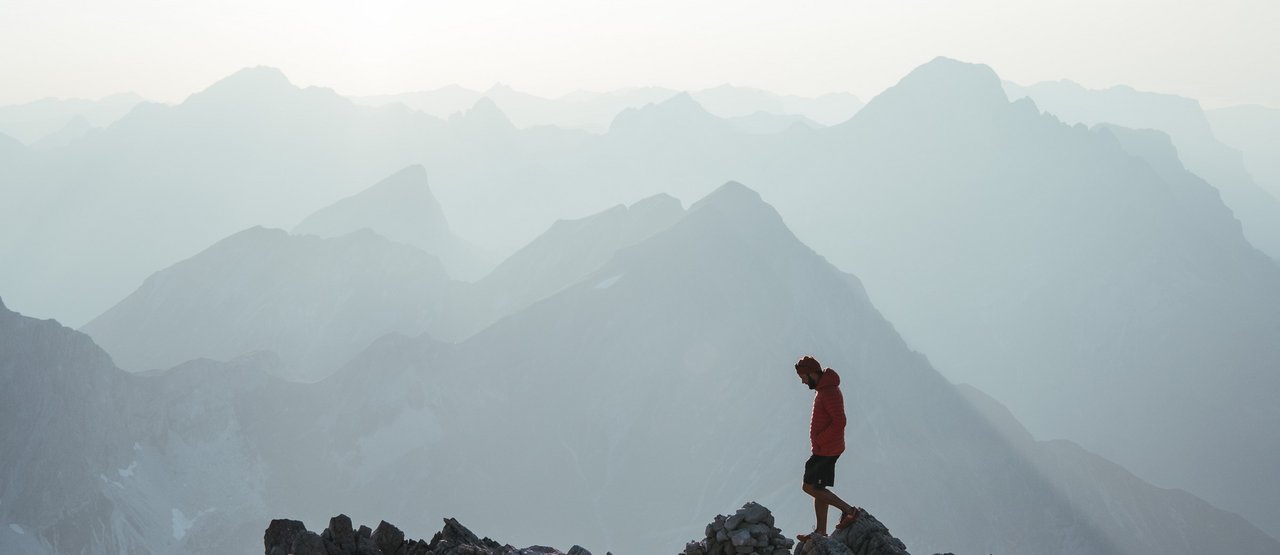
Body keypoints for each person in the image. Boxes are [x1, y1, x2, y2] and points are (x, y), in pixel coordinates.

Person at [795, 355, 861, 542]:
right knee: (818, 487)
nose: (802, 381)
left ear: (812, 373)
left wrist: (820, 440)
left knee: (808, 486)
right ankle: (821, 533)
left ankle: (849, 510)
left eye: (804, 377)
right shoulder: (824, 389)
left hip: (827, 450)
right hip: (824, 448)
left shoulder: (829, 392)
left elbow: (840, 421)